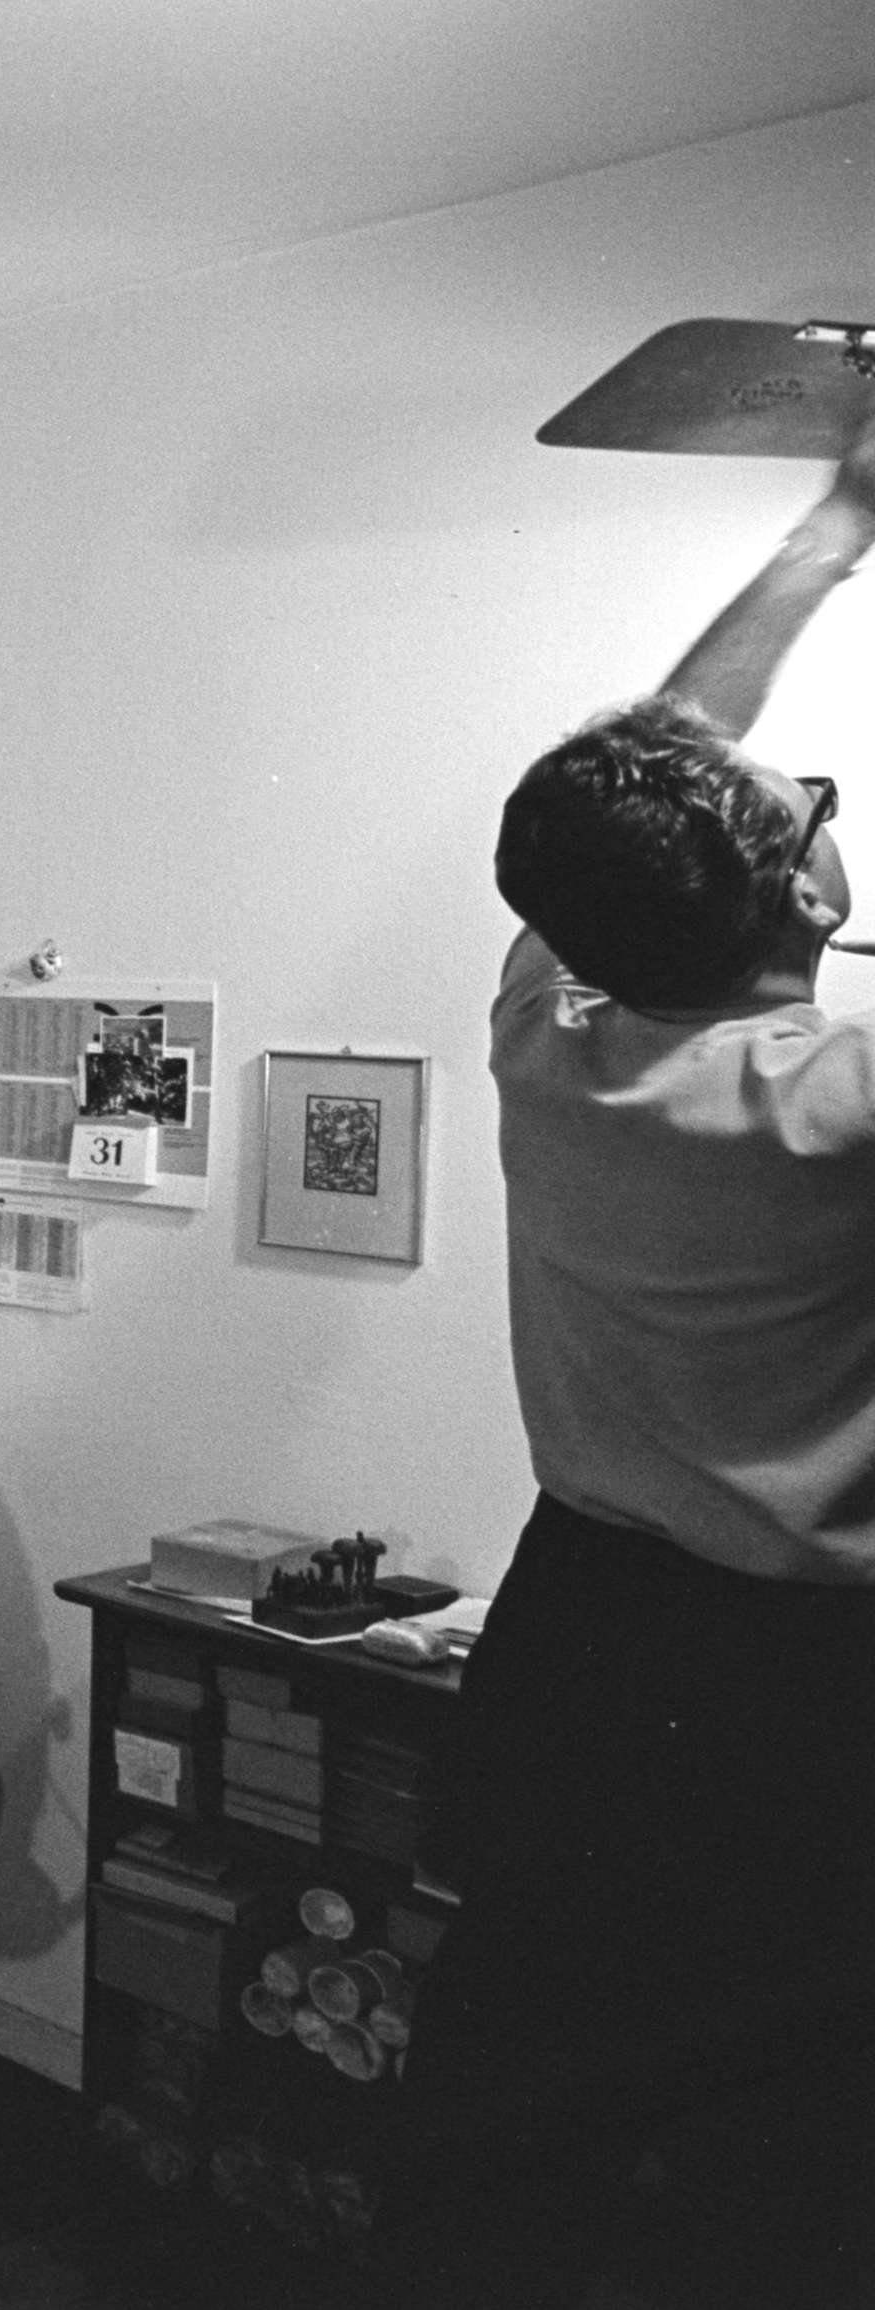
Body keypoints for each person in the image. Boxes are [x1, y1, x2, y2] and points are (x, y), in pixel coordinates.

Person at [425, 410, 875, 2294]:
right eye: (811, 813)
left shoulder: (550, 1035)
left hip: (578, 1642)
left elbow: (655, 787)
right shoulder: (837, 1101)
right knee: (781, 2146)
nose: (824, 813)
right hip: (790, 1690)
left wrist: (830, 529)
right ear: (810, 898)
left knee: (522, 2085)